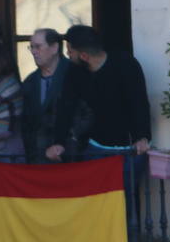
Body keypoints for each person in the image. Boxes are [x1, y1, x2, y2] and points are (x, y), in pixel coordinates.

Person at [60, 25, 150, 156]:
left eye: (70, 51)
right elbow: (66, 106)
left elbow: (139, 102)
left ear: (84, 56)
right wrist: (59, 141)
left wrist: (142, 137)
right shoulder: (74, 71)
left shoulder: (126, 64)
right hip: (91, 146)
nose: (67, 54)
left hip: (127, 147)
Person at [21, 28, 89, 161]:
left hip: (71, 156)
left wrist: (67, 142)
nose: (34, 52)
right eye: (31, 47)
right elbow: (26, 124)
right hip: (39, 160)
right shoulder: (29, 82)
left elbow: (87, 114)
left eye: (38, 46)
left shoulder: (75, 74)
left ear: (54, 48)